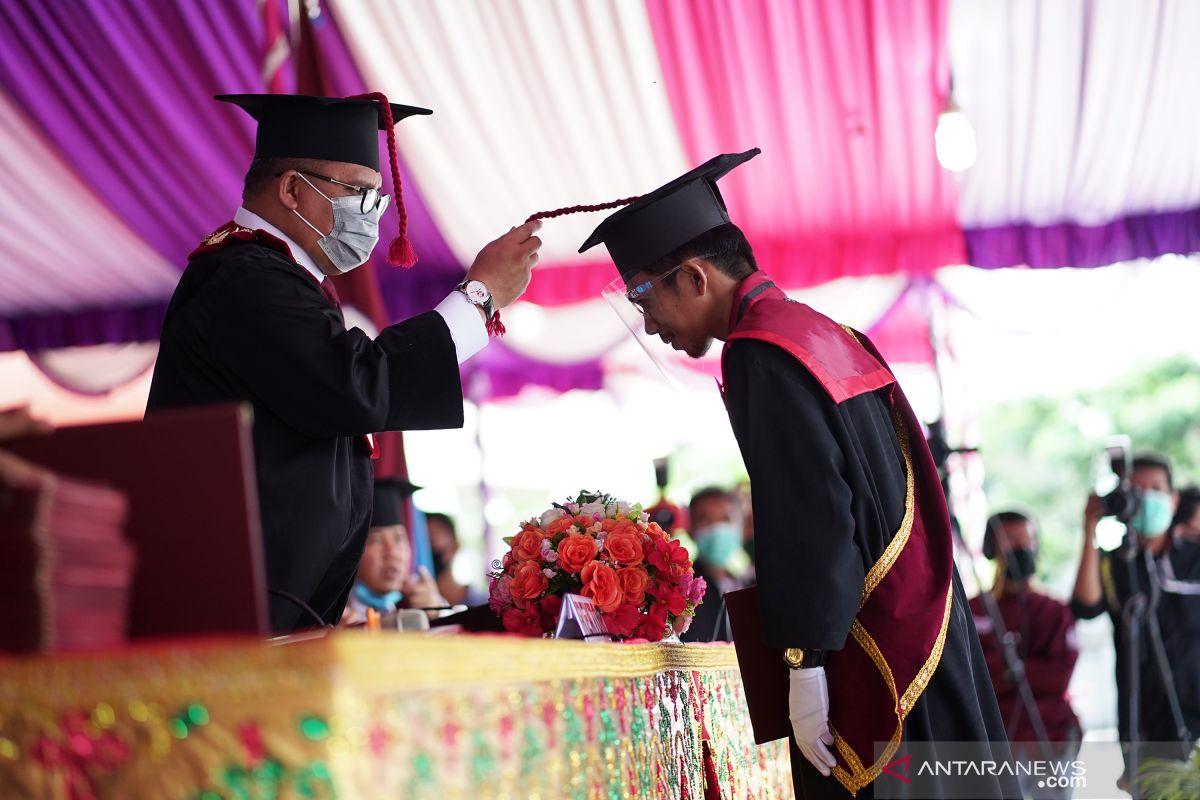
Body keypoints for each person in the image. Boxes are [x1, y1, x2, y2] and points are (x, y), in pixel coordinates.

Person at [579, 150, 1013, 798]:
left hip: (869, 654)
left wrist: (803, 663)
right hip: (923, 633)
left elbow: (811, 517)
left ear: (694, 278)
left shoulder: (761, 353)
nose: (648, 324)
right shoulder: (822, 331)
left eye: (645, 296)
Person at [146, 94, 541, 632]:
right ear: (290, 188)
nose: (370, 212)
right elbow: (352, 385)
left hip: (283, 609)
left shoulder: (285, 279)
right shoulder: (246, 276)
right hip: (234, 613)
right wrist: (477, 298)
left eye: (377, 197)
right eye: (357, 191)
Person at [1071, 456, 1200, 787]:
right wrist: (1089, 528)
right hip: (1144, 719)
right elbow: (1086, 607)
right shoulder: (1114, 563)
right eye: (1135, 490)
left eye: (1155, 489)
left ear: (1174, 499)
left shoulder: (1194, 554)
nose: (1144, 499)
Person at [969, 511, 1081, 798]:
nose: (1019, 548)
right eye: (1009, 541)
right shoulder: (970, 611)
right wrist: (1021, 671)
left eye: (1026, 540)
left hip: (1051, 739)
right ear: (992, 549)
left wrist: (1006, 670)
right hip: (993, 745)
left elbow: (1058, 677)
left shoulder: (1054, 611)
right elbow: (972, 680)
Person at [342, 479, 445, 624]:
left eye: (399, 538)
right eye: (376, 540)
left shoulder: (422, 600)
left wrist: (437, 613)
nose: (393, 553)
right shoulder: (339, 614)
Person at [681, 486, 751, 642]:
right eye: (705, 520)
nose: (717, 528)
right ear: (690, 531)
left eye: (725, 519)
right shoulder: (682, 590)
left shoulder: (747, 585)